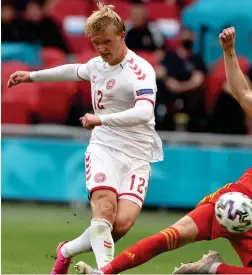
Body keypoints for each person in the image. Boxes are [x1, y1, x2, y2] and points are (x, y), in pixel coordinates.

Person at [75, 27, 252, 275]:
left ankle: (213, 268)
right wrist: (229, 51)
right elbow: (242, 93)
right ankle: (103, 273)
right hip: (235, 200)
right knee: (171, 237)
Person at [7, 2, 163, 274]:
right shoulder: (98, 64)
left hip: (138, 153)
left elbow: (144, 111)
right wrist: (31, 76)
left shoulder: (141, 71)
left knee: (121, 225)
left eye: (107, 42)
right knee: (103, 211)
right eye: (96, 43)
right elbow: (74, 69)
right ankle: (105, 271)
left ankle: (66, 250)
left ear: (122, 36)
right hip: (104, 146)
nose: (102, 49)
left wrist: (100, 118)